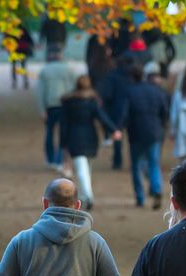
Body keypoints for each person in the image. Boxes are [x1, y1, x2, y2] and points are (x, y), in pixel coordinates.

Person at [60, 76, 122, 210]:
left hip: (74, 137)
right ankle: (85, 196)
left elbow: (64, 124)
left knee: (82, 170)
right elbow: (102, 117)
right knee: (87, 169)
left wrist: (63, 143)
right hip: (90, 137)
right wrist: (114, 130)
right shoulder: (92, 102)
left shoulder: (68, 103)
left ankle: (87, 196)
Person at [124, 65, 170, 209]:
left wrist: (118, 127)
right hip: (154, 131)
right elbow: (165, 110)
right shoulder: (155, 91)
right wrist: (161, 125)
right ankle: (156, 189)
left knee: (136, 165)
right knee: (153, 163)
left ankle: (140, 197)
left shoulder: (129, 92)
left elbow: (124, 114)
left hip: (136, 133)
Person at [37, 47, 76, 171]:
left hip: (50, 105)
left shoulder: (45, 71)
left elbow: (40, 92)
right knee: (63, 134)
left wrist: (41, 109)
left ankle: (50, 159)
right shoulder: (69, 70)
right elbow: (74, 88)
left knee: (49, 132)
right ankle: (59, 159)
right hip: (65, 105)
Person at [97, 56, 134, 170]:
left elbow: (107, 94)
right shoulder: (133, 76)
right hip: (133, 108)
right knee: (133, 137)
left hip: (116, 109)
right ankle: (135, 160)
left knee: (117, 135)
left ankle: (118, 161)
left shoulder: (111, 77)